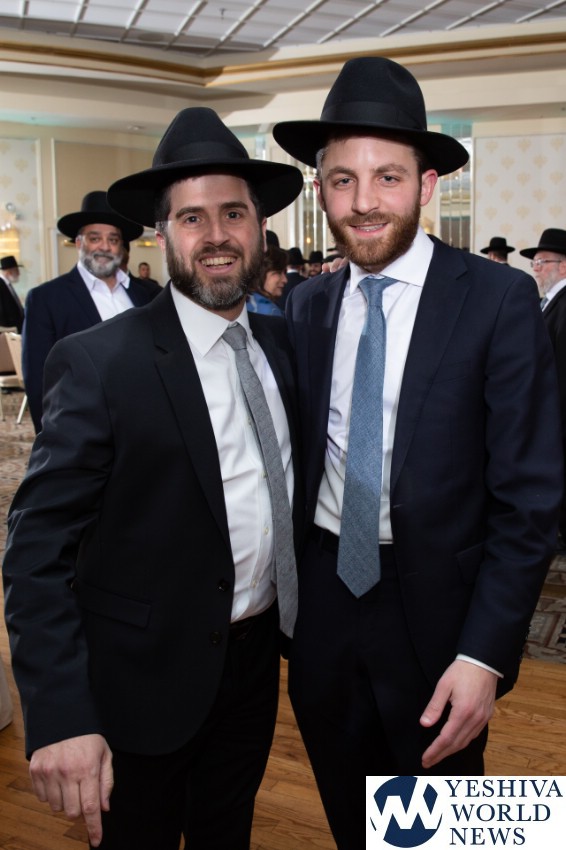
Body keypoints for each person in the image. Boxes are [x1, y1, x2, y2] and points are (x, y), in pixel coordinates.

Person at [273, 56, 563, 849]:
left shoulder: (497, 299)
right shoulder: (307, 305)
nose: (364, 202)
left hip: (439, 613)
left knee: (434, 830)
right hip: (326, 600)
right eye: (342, 180)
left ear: (427, 185)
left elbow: (529, 499)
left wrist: (485, 654)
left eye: (388, 177)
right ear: (321, 190)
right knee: (350, 812)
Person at [2, 106, 304, 850]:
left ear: (260, 228)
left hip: (253, 663)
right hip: (140, 678)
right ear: (162, 235)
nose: (216, 235)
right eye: (192, 218)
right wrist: (61, 714)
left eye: (233, 213)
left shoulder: (282, 344)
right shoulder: (100, 363)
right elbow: (36, 551)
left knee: (226, 833)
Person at [22, 191, 159, 432]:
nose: (105, 247)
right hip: (83, 429)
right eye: (95, 238)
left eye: (113, 239)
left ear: (121, 247)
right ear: (79, 243)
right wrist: (50, 440)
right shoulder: (46, 299)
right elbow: (39, 379)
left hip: (146, 422)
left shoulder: (147, 294)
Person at [520, 229, 566, 549]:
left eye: (541, 263)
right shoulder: (549, 301)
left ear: (563, 266)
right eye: (534, 263)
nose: (535, 270)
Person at [247, 245, 287, 316]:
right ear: (259, 273)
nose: (285, 280)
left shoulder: (243, 305)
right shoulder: (270, 312)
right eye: (278, 273)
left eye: (285, 272)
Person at [0, 255, 25, 331]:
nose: (19, 274)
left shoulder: (7, 284)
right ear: (9, 272)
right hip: (9, 332)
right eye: (17, 270)